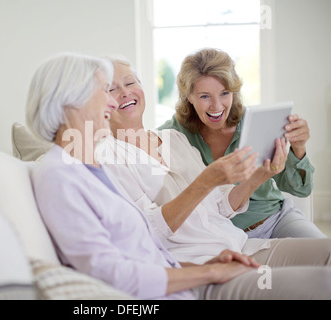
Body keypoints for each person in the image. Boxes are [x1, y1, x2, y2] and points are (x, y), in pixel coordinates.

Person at [95, 54, 331, 299]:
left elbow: (219, 205)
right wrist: (207, 180)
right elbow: (148, 232)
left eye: (131, 83)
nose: (124, 92)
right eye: (112, 88)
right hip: (203, 261)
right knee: (322, 283)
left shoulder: (172, 140)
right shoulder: (106, 155)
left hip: (241, 245)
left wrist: (258, 177)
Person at [159, 48, 326, 239]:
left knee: (323, 252)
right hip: (220, 236)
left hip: (275, 220)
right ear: (189, 96)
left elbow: (300, 189)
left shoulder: (257, 123)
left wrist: (299, 147)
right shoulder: (171, 134)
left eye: (224, 93)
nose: (217, 106)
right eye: (205, 96)